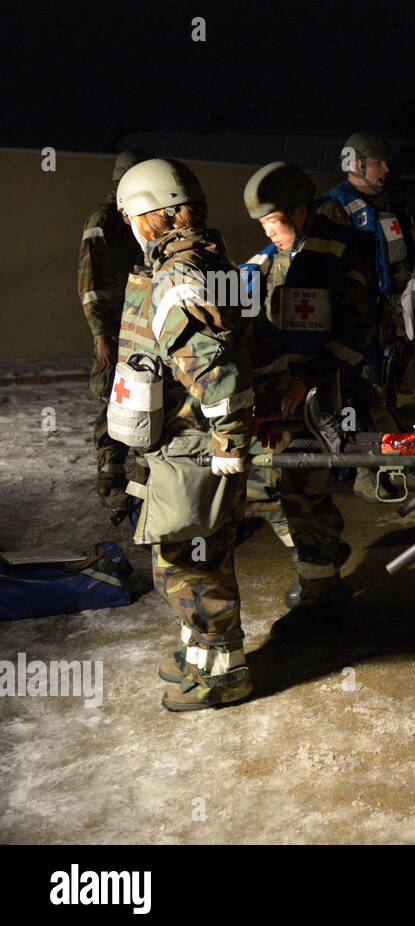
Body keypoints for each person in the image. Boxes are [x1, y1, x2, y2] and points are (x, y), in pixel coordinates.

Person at [111, 158, 255, 711]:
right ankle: (198, 653)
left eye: (131, 218)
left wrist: (229, 440)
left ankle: (224, 674)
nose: (130, 228)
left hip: (194, 446)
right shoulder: (210, 261)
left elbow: (214, 366)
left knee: (188, 563)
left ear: (150, 216)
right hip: (195, 442)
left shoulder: (175, 273)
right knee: (200, 556)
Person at [239, 161, 373, 608]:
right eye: (260, 225)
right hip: (276, 395)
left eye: (272, 223)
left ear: (299, 212)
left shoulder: (343, 252)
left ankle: (320, 589)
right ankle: (319, 555)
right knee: (260, 485)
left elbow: (357, 329)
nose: (267, 234)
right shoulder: (266, 260)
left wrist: (306, 380)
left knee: (305, 490)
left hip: (320, 397)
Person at [317, 132, 415, 499]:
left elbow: (401, 262)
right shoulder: (333, 208)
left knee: (407, 396)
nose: (386, 168)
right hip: (359, 329)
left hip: (397, 321)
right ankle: (371, 475)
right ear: (356, 164)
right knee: (365, 402)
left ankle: (412, 466)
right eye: (378, 161)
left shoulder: (389, 207)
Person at [78, 148, 152, 510]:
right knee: (111, 403)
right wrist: (100, 333)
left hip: (138, 327)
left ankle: (139, 485)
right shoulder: (104, 221)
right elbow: (90, 281)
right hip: (115, 328)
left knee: (137, 401)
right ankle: (111, 481)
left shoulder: (136, 217)